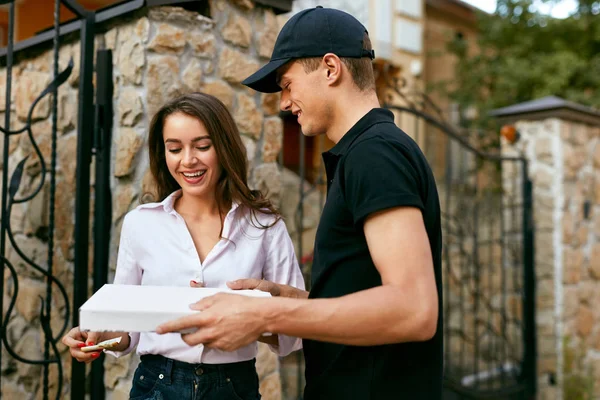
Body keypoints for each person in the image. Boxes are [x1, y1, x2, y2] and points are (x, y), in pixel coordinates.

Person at [157, 6, 443, 399]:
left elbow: (414, 310)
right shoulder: (368, 152)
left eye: (288, 84)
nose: (285, 103)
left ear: (330, 68)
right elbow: (369, 296)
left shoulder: (375, 156)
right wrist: (294, 301)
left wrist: (265, 314)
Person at [61, 92, 305, 400]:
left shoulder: (266, 226)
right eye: (174, 148)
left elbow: (294, 330)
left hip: (233, 386)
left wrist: (247, 322)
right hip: (157, 384)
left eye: (202, 146)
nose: (188, 160)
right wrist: (95, 336)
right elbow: (126, 328)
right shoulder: (140, 224)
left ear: (224, 147)